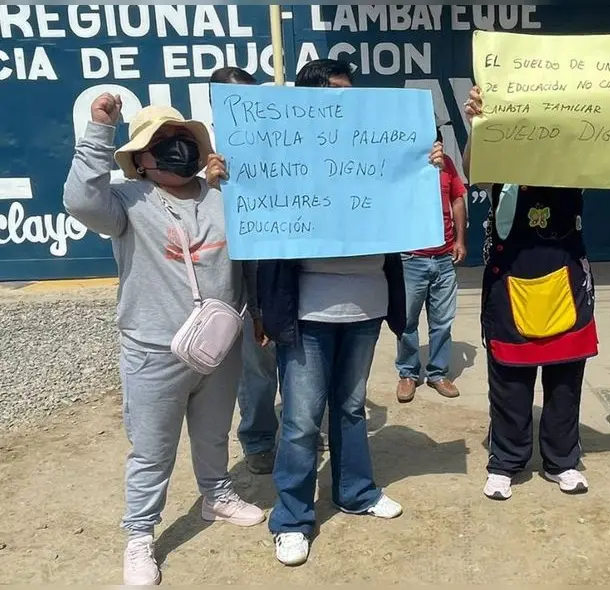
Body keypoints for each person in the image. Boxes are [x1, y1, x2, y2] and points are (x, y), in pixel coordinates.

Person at [209, 59, 446, 566]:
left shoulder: (375, 143)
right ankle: (291, 519)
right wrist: (227, 178)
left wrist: (423, 165)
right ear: (309, 99)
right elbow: (248, 226)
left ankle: (356, 492)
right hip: (308, 314)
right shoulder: (279, 147)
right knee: (298, 421)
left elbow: (405, 200)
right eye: (338, 92)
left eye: (350, 91)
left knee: (351, 408)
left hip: (365, 307)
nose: (348, 101)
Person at [64, 96, 266, 585]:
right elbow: (79, 201)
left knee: (214, 431)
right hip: (153, 350)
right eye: (159, 144)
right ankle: (139, 536)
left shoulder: (225, 195)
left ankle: (215, 495)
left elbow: (253, 257)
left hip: (220, 343)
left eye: (181, 139)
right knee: (152, 450)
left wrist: (257, 312)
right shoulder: (126, 204)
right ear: (139, 160)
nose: (175, 149)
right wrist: (97, 132)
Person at [462, 83, 610, 500]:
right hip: (510, 282)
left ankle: (561, 460)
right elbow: (474, 166)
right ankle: (506, 461)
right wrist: (478, 124)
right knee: (510, 381)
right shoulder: (503, 155)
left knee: (565, 380)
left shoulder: (579, 154)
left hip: (566, 280)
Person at [209, 66, 281, 475]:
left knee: (296, 359)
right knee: (256, 366)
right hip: (240, 281)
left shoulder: (279, 143)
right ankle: (258, 440)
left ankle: (297, 428)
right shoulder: (207, 157)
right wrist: (211, 187)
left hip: (285, 270)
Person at [395, 125, 469, 403]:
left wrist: (460, 240)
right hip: (411, 258)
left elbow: (458, 200)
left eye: (436, 141)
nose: (433, 146)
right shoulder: (402, 168)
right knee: (406, 321)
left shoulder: (447, 165)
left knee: (442, 321)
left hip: (444, 257)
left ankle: (438, 373)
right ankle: (408, 373)